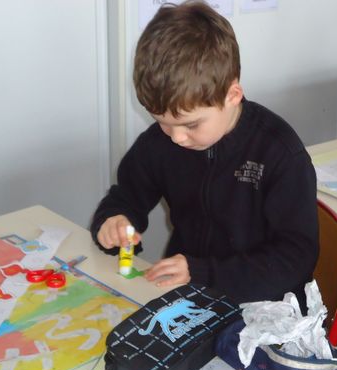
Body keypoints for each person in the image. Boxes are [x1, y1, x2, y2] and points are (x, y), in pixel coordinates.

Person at [90, 1, 319, 307]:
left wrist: (204, 272)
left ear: (232, 95)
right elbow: (127, 197)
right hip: (191, 295)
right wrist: (114, 221)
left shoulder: (278, 153)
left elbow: (295, 258)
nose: (176, 137)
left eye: (191, 124)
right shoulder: (160, 142)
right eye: (162, 122)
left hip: (265, 305)